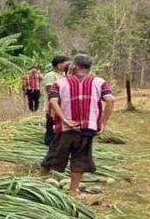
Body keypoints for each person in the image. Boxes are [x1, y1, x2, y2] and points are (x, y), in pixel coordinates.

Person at [41, 53, 114, 196]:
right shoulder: (99, 82)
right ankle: (73, 191)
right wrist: (103, 123)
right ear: (89, 67)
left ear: (73, 66)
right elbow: (110, 100)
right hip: (88, 128)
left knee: (53, 156)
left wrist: (64, 119)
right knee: (80, 159)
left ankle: (40, 186)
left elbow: (53, 101)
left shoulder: (61, 83)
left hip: (66, 129)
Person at [42, 55, 70, 145]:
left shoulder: (63, 76)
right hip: (52, 106)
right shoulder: (50, 75)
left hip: (61, 105)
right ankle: (49, 144)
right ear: (59, 65)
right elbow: (50, 92)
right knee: (51, 127)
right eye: (65, 63)